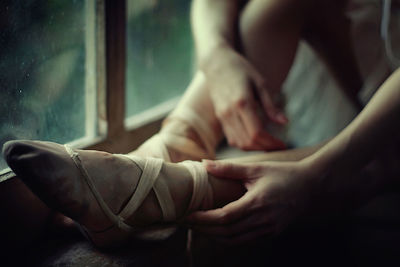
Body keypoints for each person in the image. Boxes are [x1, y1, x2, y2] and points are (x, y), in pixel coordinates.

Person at [1, 0, 399, 259]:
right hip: (374, 76)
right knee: (272, 9)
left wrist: (314, 176)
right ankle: (172, 148)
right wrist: (217, 55)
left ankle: (163, 189)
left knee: (382, 162)